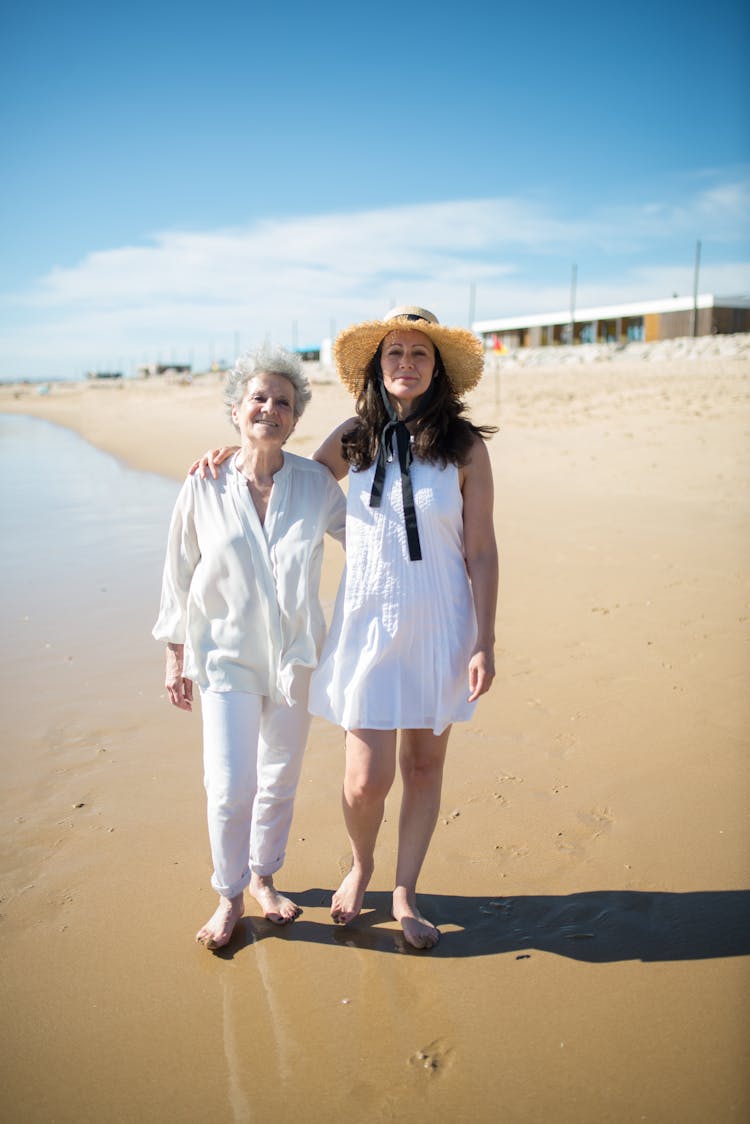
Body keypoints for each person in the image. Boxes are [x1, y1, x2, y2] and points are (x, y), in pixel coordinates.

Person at [196, 306, 498, 950]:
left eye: (420, 353)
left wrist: (485, 639)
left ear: (437, 368)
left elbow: (481, 551)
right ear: (378, 365)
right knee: (366, 779)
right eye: (395, 353)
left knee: (423, 768)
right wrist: (237, 452)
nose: (407, 364)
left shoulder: (465, 446)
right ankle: (360, 865)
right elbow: (292, 480)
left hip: (442, 624)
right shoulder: (352, 437)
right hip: (366, 624)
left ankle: (405, 891)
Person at [154, 344, 346, 950]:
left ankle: (265, 877)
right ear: (236, 411)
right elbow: (178, 571)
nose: (271, 408)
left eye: (283, 402)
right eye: (259, 398)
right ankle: (228, 893)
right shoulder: (204, 484)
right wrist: (174, 651)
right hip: (224, 656)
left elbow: (370, 544)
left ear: (295, 419)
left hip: (294, 658)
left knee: (279, 777)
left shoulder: (317, 485)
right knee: (230, 784)